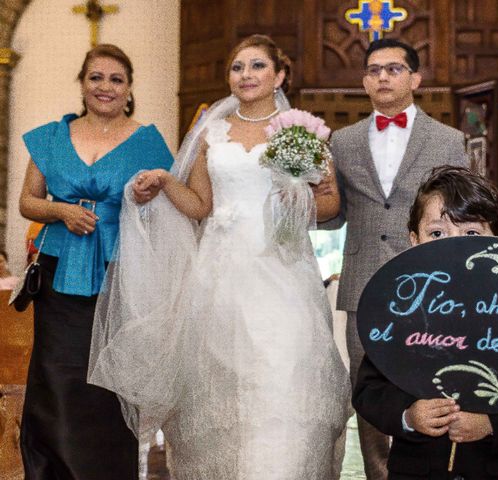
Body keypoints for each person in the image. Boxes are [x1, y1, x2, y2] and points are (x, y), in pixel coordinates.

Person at [88, 34, 350, 479]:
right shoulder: (211, 131)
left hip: (281, 276)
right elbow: (200, 207)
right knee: (221, 388)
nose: (245, 75)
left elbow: (331, 206)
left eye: (257, 66)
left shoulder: (302, 131)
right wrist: (164, 183)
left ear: (279, 75)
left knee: (281, 378)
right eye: (237, 67)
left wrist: (296, 200)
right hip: (220, 276)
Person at [17, 44, 174, 479]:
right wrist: (62, 211)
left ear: (128, 90)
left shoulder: (148, 141)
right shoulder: (50, 136)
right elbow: (28, 201)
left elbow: (168, 210)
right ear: (82, 83)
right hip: (56, 271)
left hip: (119, 271)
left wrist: (140, 200)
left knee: (107, 382)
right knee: (56, 377)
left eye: (116, 79)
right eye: (96, 77)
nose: (105, 87)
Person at [319, 38, 468, 479]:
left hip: (432, 287)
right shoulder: (340, 142)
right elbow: (333, 214)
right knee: (369, 393)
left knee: (431, 383)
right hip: (363, 283)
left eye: (394, 69)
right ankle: (377, 475)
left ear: (415, 79)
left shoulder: (448, 139)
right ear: (365, 82)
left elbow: (464, 213)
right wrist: (293, 197)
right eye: (374, 69)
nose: (383, 76)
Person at [353, 166, 498, 480]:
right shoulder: (401, 315)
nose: (454, 246)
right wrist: (409, 415)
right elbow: (368, 390)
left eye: (471, 233)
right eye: (437, 233)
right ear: (414, 241)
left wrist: (492, 423)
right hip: (416, 472)